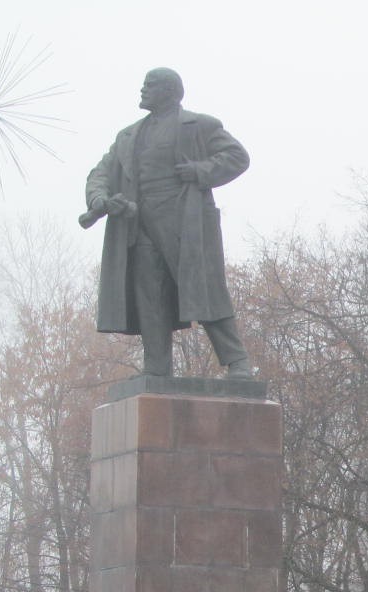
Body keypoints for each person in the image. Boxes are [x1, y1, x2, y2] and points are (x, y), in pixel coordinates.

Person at [83, 67, 254, 379]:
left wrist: (201, 170)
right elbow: (101, 173)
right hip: (140, 225)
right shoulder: (128, 136)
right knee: (149, 296)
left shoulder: (198, 125)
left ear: (169, 91)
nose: (142, 90)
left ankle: (238, 362)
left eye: (150, 85)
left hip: (184, 223)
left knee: (205, 292)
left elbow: (237, 157)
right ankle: (157, 368)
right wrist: (98, 200)